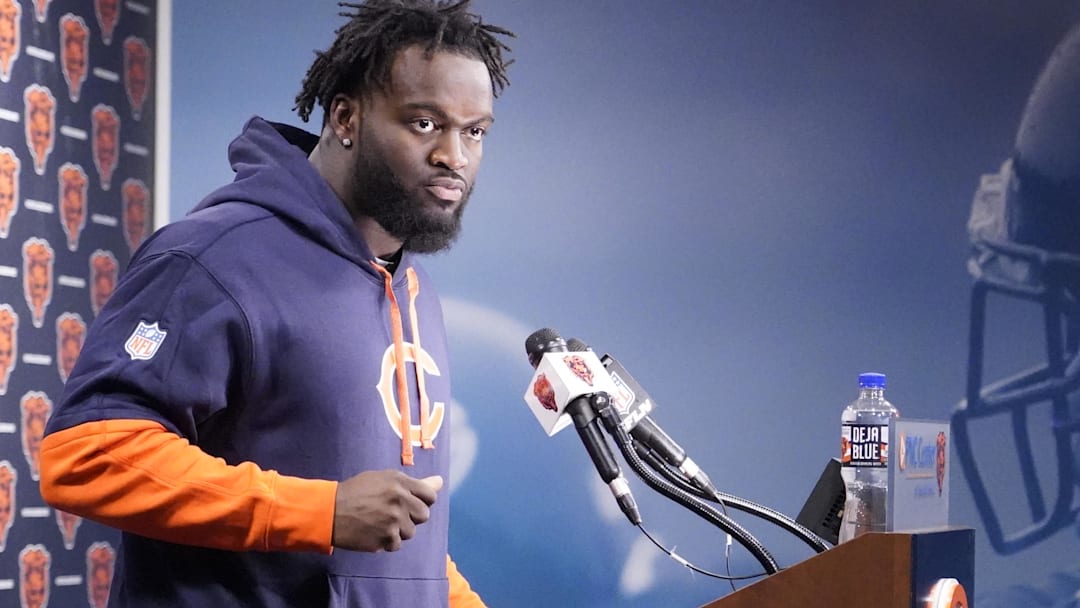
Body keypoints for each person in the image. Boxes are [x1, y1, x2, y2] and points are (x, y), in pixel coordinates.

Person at [38, 1, 513, 606]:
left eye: (474, 131)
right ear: (346, 116)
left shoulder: (413, 292)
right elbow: (86, 454)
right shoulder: (211, 257)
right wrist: (322, 510)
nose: (455, 156)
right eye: (425, 123)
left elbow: (394, 545)